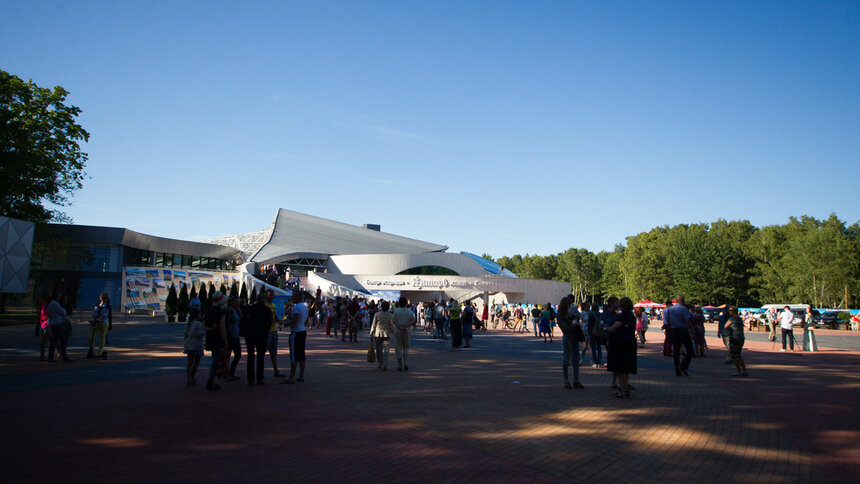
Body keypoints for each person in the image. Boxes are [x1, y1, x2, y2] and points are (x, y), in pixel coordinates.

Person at [606, 297, 637, 398]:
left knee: (621, 368)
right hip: (628, 343)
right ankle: (624, 388)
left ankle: (624, 389)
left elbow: (615, 327)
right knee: (625, 368)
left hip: (621, 344)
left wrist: (607, 329)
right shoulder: (631, 315)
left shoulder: (623, 316)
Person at [556, 297, 584, 390]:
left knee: (576, 358)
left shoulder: (568, 314)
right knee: (567, 359)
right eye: (568, 305)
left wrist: (575, 318)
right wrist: (574, 324)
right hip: (568, 337)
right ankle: (566, 380)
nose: (569, 307)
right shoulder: (560, 315)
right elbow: (565, 329)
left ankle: (576, 379)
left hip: (574, 337)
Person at [203, 291, 228, 390]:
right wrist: (225, 341)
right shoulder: (221, 312)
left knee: (215, 357)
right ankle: (211, 380)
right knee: (216, 359)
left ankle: (212, 379)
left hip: (210, 337)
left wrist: (210, 329)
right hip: (218, 338)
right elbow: (222, 328)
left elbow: (203, 326)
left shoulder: (208, 311)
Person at [282, 291, 308, 384]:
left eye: (293, 296)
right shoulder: (304, 307)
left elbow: (295, 319)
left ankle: (291, 377)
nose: (292, 297)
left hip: (296, 332)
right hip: (302, 330)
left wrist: (287, 324)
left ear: (297, 297)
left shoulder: (297, 307)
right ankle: (301, 375)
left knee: (294, 355)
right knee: (301, 355)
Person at [664, 296, 694, 376]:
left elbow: (666, 321)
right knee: (690, 350)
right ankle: (683, 366)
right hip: (683, 330)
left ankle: (677, 369)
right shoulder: (684, 309)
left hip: (674, 330)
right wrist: (691, 330)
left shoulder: (669, 309)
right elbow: (687, 320)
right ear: (682, 301)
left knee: (676, 350)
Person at [246, 292, 272, 385]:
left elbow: (246, 321)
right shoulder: (267, 310)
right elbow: (269, 323)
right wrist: (265, 334)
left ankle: (250, 378)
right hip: (261, 336)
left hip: (250, 335)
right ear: (264, 300)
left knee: (250, 356)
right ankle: (259, 378)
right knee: (260, 357)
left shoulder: (250, 309)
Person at [46, 294, 73, 362]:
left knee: (56, 341)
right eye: (59, 297)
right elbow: (62, 312)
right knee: (60, 341)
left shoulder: (50, 304)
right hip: (58, 323)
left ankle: (53, 357)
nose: (59, 298)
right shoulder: (55, 304)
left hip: (53, 323)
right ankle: (62, 357)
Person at [264, 289, 285, 377]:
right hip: (266, 332)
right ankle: (259, 371)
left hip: (273, 331)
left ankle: (276, 370)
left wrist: (279, 321)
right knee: (263, 351)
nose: (271, 297)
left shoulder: (273, 305)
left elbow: (275, 316)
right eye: (270, 295)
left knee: (274, 352)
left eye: (272, 295)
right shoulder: (264, 306)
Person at [392, 296, 416, 371]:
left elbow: (394, 320)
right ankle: (405, 363)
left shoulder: (396, 311)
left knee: (398, 347)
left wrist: (400, 326)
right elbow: (413, 321)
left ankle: (399, 365)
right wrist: (405, 326)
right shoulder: (410, 312)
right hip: (407, 330)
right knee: (406, 347)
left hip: (398, 330)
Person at [369, 300, 395, 370]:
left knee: (378, 349)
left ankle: (380, 363)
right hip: (387, 334)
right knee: (386, 350)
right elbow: (392, 325)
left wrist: (371, 333)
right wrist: (393, 332)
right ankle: (385, 364)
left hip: (378, 333)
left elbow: (373, 324)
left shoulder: (377, 314)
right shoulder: (390, 315)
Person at [87, 292, 113, 360]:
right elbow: (94, 314)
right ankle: (92, 350)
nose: (105, 299)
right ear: (100, 298)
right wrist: (96, 319)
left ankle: (100, 352)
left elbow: (105, 315)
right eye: (104, 297)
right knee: (90, 338)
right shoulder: (97, 305)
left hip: (104, 323)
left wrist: (100, 319)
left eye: (106, 297)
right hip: (97, 323)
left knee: (102, 337)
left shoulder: (107, 306)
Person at [724, 306, 748, 376]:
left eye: (730, 310)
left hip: (734, 337)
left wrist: (729, 330)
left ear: (734, 311)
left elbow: (726, 326)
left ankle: (738, 370)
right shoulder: (739, 319)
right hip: (741, 337)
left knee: (735, 356)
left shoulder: (732, 319)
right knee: (739, 355)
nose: (729, 311)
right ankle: (744, 370)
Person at [183, 307, 204, 385]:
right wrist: (204, 331)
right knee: (196, 362)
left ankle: (189, 378)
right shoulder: (198, 324)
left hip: (189, 344)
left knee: (189, 362)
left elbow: (185, 334)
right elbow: (199, 334)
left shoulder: (189, 323)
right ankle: (192, 376)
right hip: (196, 345)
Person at [224, 296, 242, 380]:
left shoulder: (237, 311)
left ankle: (231, 372)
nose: (239, 303)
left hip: (236, 335)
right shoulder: (228, 311)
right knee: (227, 355)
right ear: (232, 302)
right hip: (230, 335)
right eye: (237, 302)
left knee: (238, 354)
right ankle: (226, 373)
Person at [589, 302, 603, 367]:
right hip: (599, 332)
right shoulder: (600, 314)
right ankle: (599, 362)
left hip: (592, 332)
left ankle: (594, 362)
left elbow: (589, 324)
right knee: (599, 347)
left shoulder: (591, 314)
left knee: (593, 347)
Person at [38, 295, 50, 361]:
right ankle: (42, 356)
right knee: (45, 341)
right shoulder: (45, 307)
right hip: (47, 325)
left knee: (50, 340)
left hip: (45, 324)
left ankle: (43, 355)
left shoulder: (43, 306)